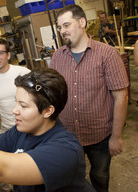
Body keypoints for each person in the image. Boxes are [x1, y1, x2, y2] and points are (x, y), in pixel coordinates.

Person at [50, 4, 129, 192]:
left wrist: (116, 137)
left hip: (99, 135)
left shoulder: (107, 55)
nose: (62, 31)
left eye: (67, 25)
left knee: (100, 176)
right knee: (69, 177)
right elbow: (51, 94)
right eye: (60, 27)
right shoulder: (57, 57)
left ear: (82, 22)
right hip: (66, 134)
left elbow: (121, 97)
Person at [0, 38, 30, 139]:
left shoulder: (23, 73)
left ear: (8, 55)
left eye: (0, 53)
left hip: (28, 125)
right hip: (7, 128)